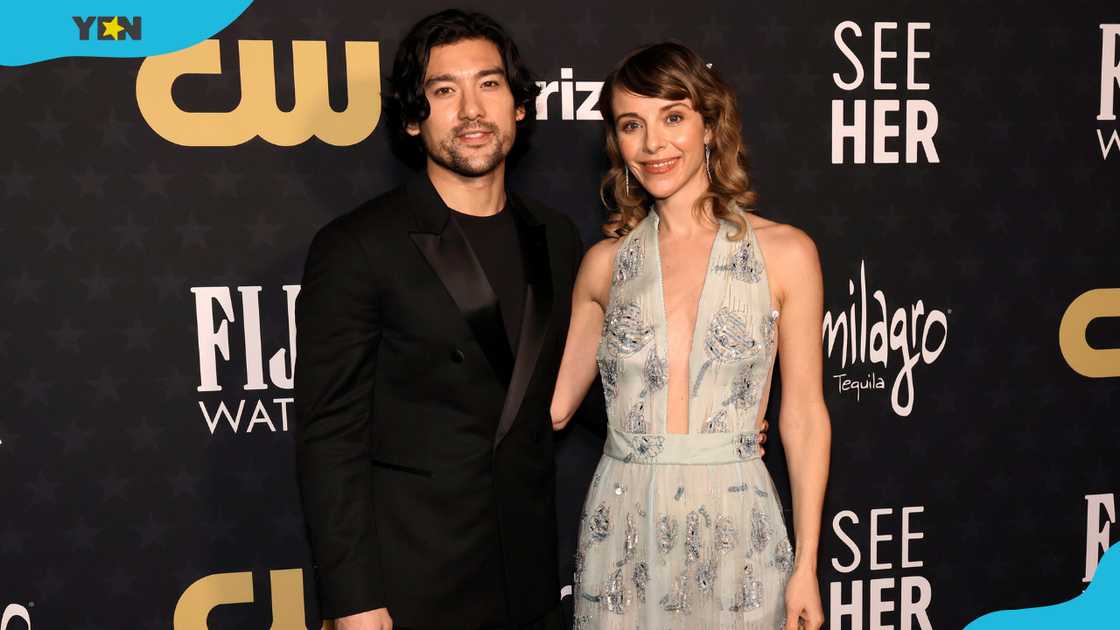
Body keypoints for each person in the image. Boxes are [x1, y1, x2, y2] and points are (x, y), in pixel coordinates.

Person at [292, 10, 580, 630]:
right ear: (412, 118)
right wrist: (353, 601)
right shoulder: (357, 245)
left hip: (529, 574)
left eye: (490, 84)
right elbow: (330, 436)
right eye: (444, 90)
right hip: (414, 580)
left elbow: (580, 382)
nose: (472, 110)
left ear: (519, 106)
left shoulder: (556, 236)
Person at [550, 42, 830, 629]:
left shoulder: (787, 254)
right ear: (617, 142)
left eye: (673, 117)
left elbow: (804, 415)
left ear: (709, 125)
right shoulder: (604, 266)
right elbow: (552, 409)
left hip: (739, 526)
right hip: (622, 526)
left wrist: (806, 565)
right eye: (632, 124)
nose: (653, 144)